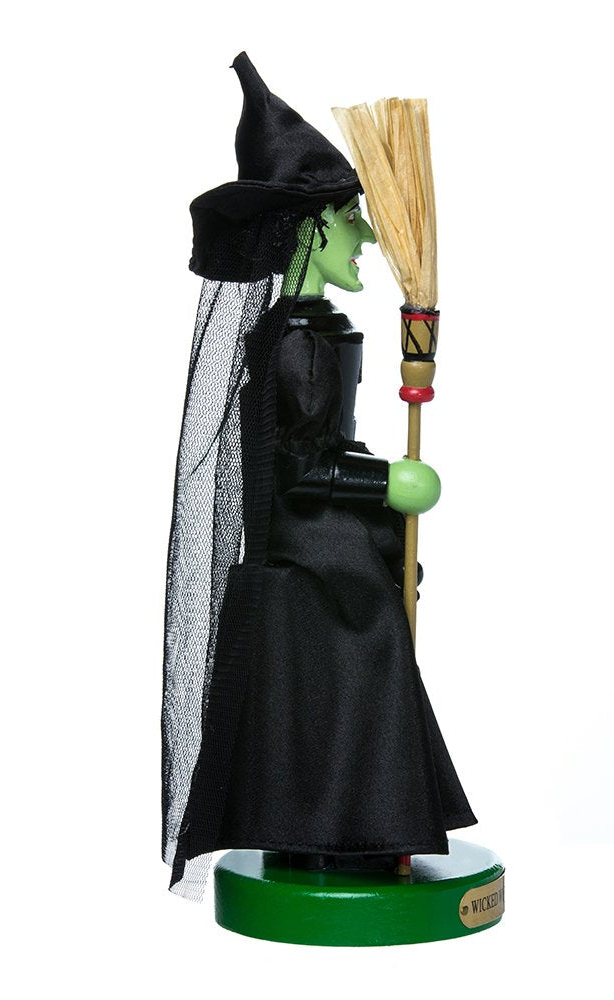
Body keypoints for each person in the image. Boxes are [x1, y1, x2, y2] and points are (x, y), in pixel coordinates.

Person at [162, 53, 474, 899]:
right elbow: (300, 466)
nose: (366, 237)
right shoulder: (296, 340)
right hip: (303, 551)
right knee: (371, 632)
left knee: (380, 602)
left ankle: (358, 817)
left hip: (318, 533)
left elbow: (321, 444)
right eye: (349, 220)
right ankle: (353, 825)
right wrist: (388, 487)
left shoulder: (314, 330)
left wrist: (378, 481)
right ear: (308, 231)